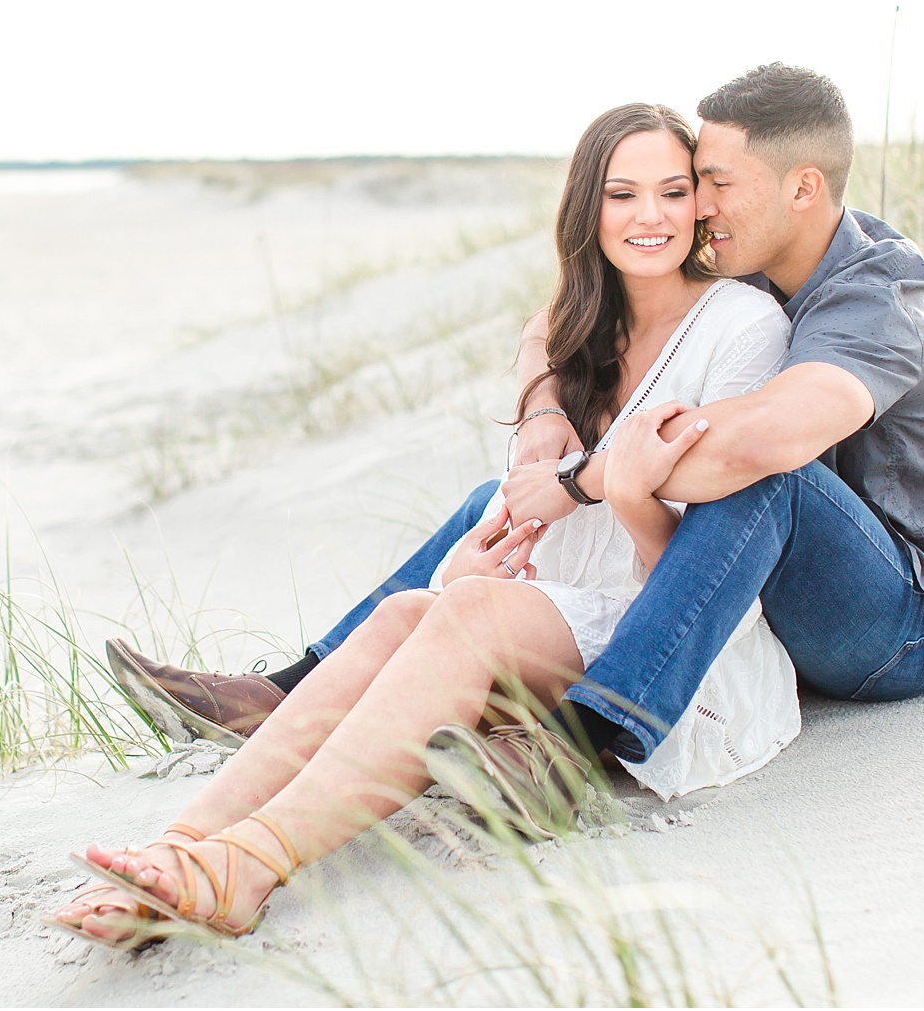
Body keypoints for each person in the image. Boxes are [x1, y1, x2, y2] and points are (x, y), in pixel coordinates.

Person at [107, 61, 924, 841]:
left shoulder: (879, 292)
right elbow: (551, 324)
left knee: (767, 478)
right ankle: (297, 687)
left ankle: (586, 741)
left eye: (714, 180)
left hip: (904, 625)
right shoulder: (756, 254)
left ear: (803, 187)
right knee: (496, 499)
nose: (700, 203)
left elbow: (767, 440)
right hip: (785, 586)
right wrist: (541, 425)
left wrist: (582, 481)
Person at [49, 102, 799, 947]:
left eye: (673, 191)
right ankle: (179, 846)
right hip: (563, 608)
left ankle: (244, 867)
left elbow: (711, 566)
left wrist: (617, 497)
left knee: (464, 612)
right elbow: (542, 352)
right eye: (623, 194)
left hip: (674, 652)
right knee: (414, 608)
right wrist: (505, 508)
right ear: (588, 207)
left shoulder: (742, 325)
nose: (652, 216)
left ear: (700, 202)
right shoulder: (579, 328)